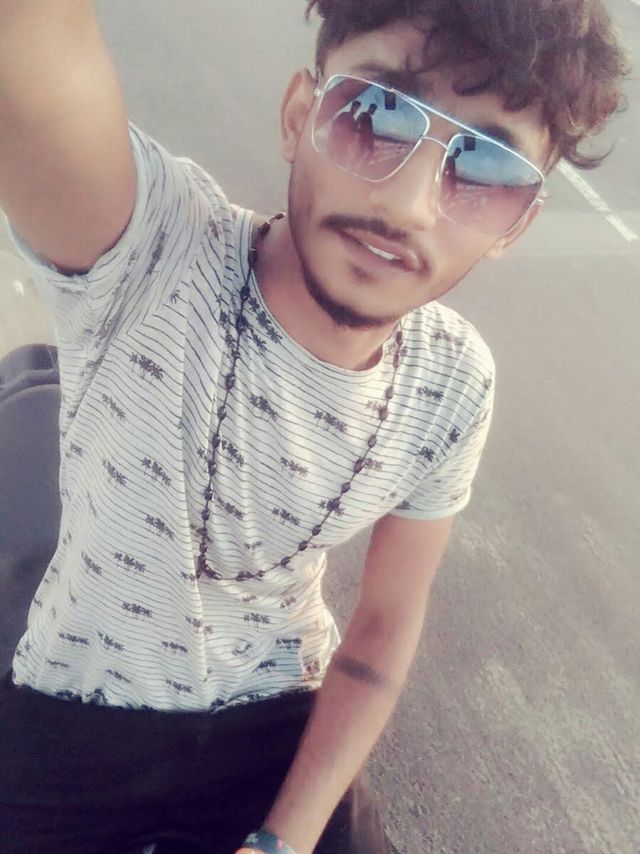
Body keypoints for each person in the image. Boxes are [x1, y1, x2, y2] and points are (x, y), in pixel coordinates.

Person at [0, 1, 629, 853]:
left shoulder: (452, 384)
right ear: (300, 115)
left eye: (485, 169)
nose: (409, 206)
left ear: (516, 224)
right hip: (78, 710)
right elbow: (30, 55)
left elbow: (384, 625)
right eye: (377, 113)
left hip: (280, 714)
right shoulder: (150, 251)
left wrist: (283, 842)